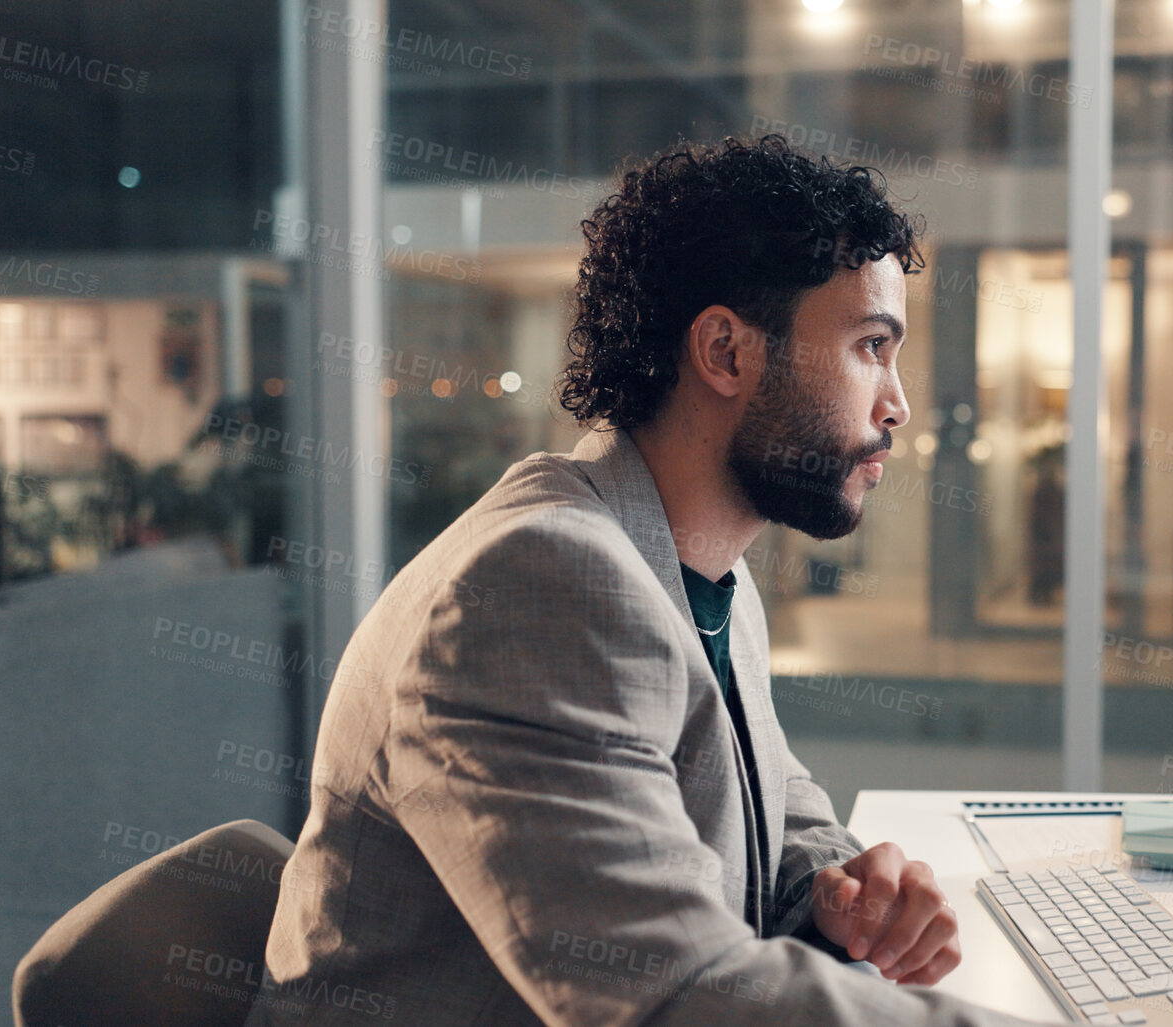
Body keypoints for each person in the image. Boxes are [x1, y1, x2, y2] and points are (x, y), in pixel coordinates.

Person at [251, 136, 1060, 1025]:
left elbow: (771, 813)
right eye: (872, 345)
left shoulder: (703, 575)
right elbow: (672, 993)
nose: (896, 404)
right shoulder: (541, 583)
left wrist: (841, 888)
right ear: (725, 352)